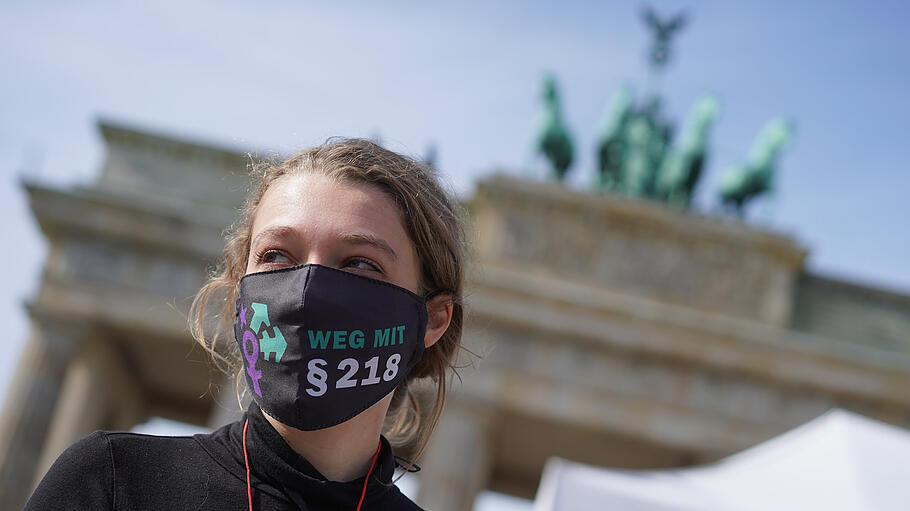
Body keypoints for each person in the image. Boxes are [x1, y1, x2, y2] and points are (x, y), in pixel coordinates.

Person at [25, 138, 468, 510]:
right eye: (276, 255)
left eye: (359, 263)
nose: (306, 289)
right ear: (241, 287)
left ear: (432, 319)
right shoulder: (114, 482)